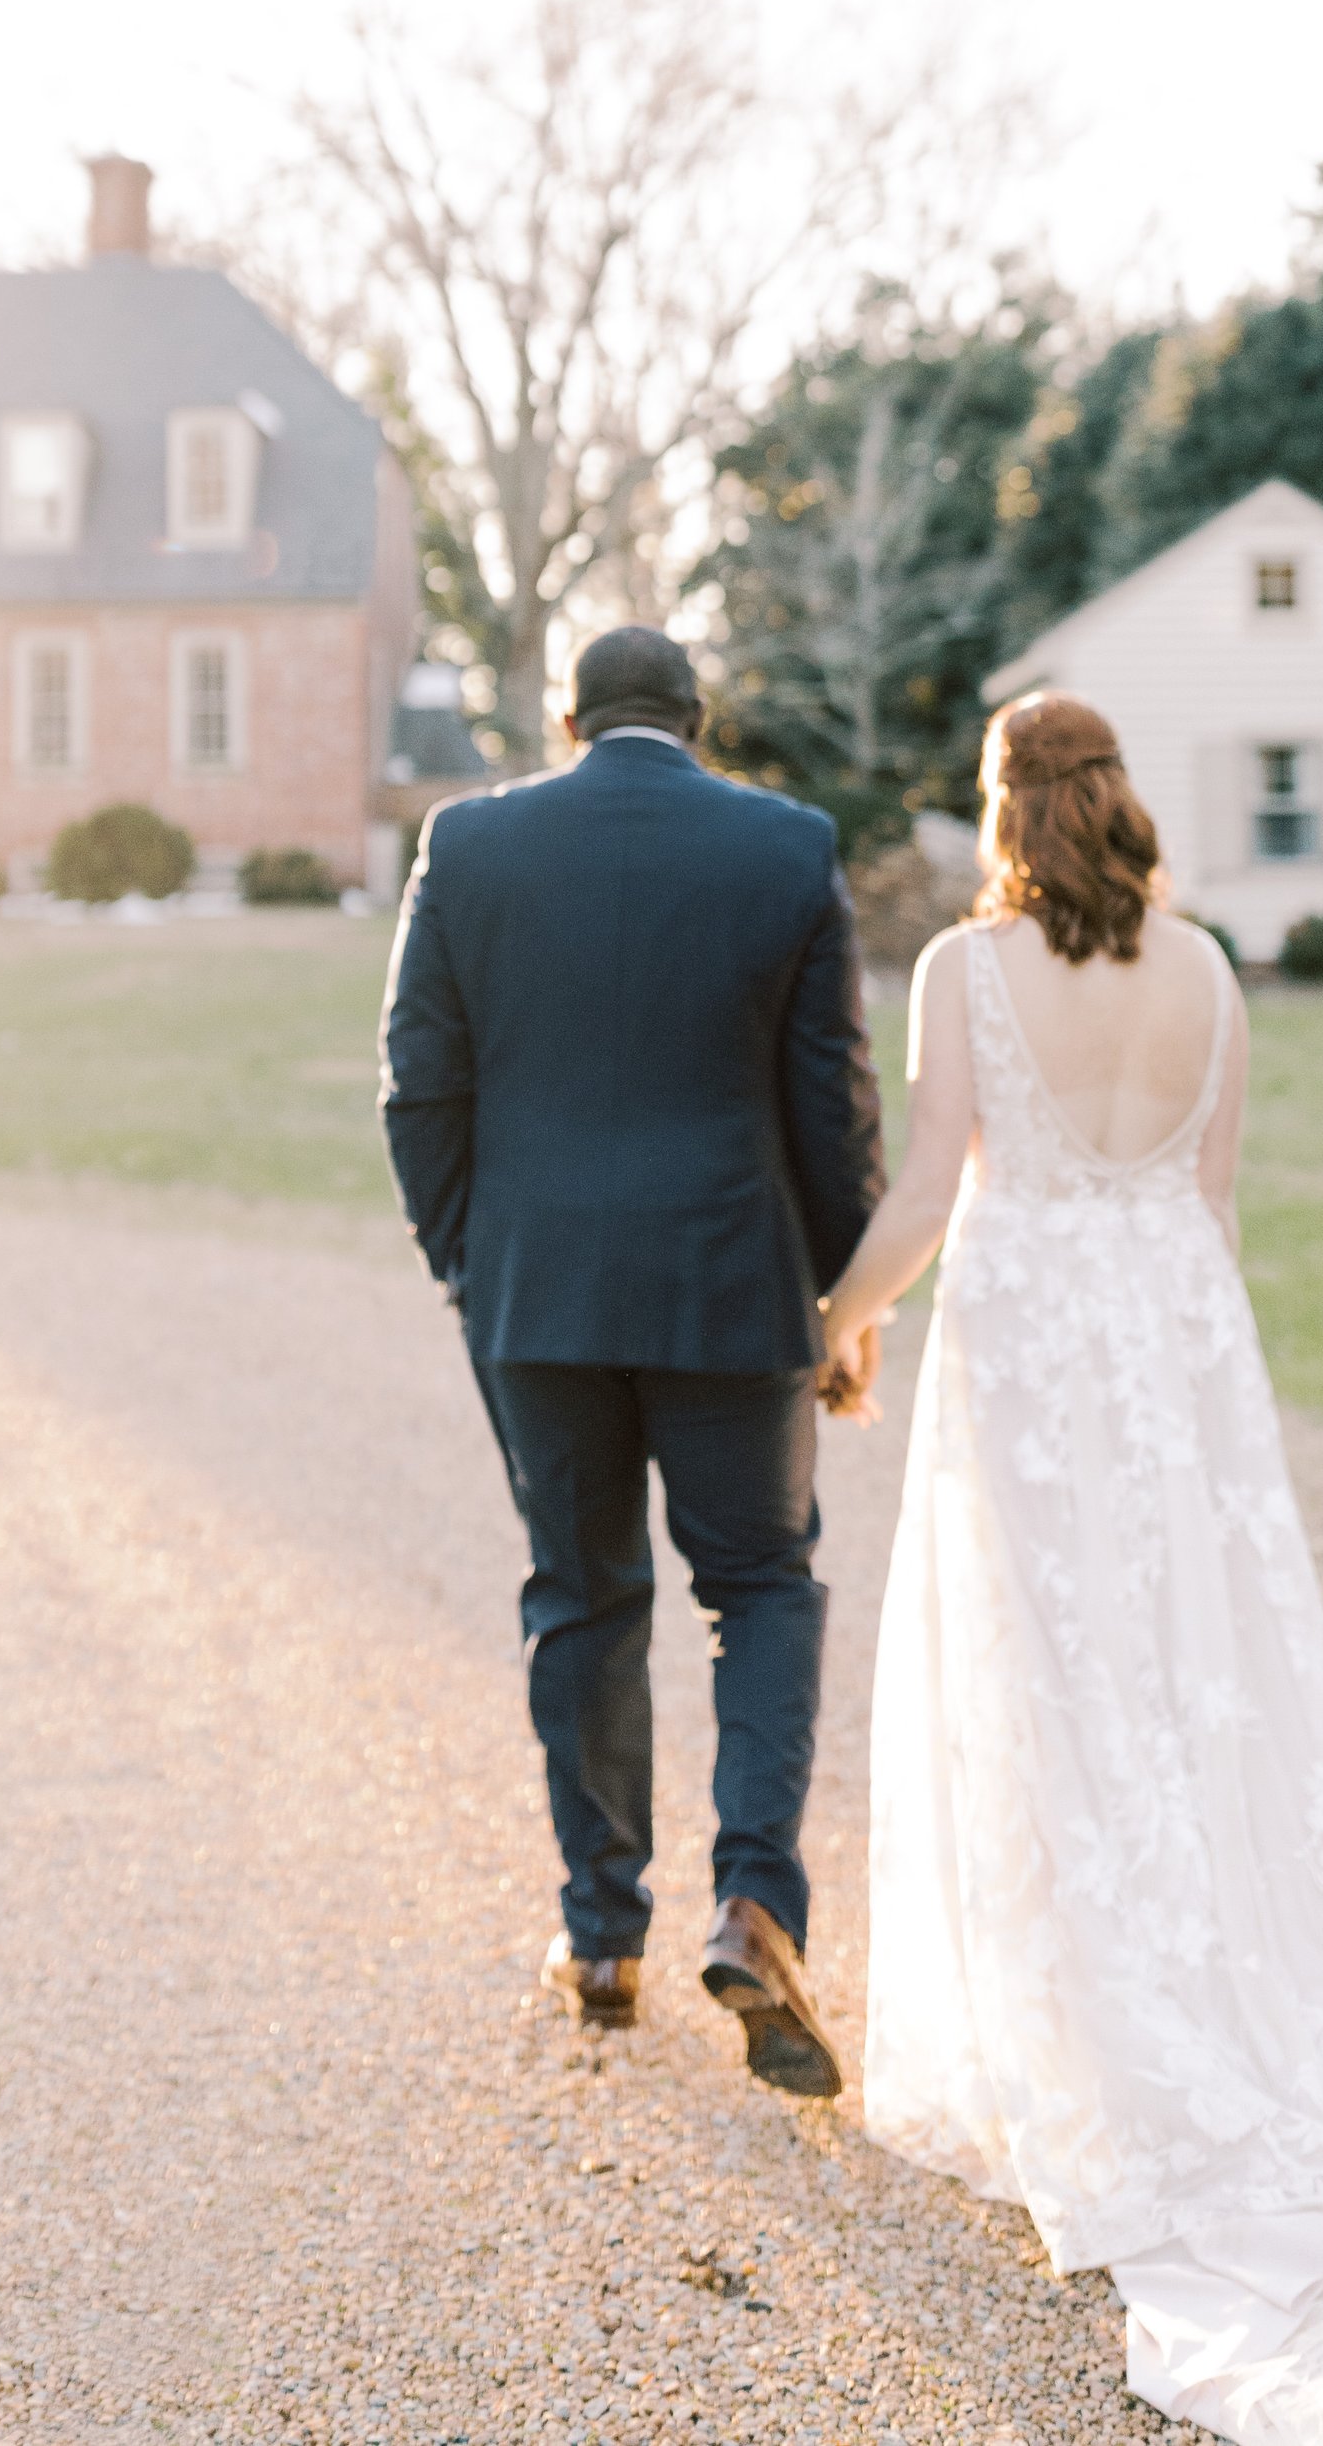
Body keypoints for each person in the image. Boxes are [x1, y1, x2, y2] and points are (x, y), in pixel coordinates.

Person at [817, 691, 1323, 2446]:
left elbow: (936, 1188)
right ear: (1122, 797)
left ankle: (1095, 2038)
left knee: (1041, 1678)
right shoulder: (1217, 970)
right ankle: (1194, 1989)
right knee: (1197, 1679)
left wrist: (834, 1325)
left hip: (1028, 1356)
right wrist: (1200, 1399)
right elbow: (1215, 1205)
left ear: (1007, 806)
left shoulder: (965, 967)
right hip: (1178, 1354)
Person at [380, 624, 885, 2095]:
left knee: (583, 1592)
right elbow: (834, 1108)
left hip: (537, 1298)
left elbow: (418, 1089)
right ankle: (753, 1903)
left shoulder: (467, 847)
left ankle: (601, 1938)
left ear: (570, 716)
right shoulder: (784, 848)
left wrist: (475, 1264)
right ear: (698, 718)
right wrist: (844, 1304)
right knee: (761, 1586)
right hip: (735, 1292)